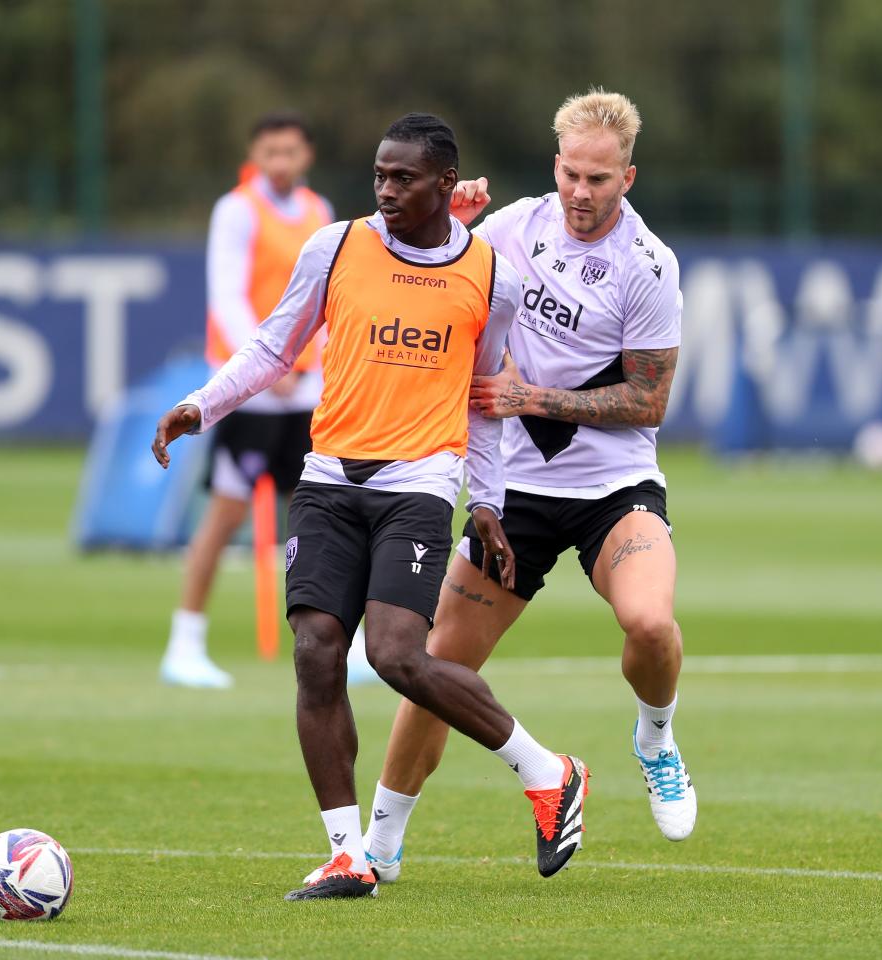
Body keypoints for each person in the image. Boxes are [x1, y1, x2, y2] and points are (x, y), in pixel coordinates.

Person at [153, 113, 587, 900]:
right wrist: (201, 406)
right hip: (327, 482)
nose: (385, 190)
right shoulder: (336, 247)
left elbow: (486, 402)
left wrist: (485, 500)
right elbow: (273, 346)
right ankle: (348, 854)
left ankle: (549, 772)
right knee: (317, 652)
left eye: (403, 178)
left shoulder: (494, 277)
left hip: (417, 486)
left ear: (446, 185)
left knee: (394, 656)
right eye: (379, 175)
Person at [362, 90, 693, 883]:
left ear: (629, 179)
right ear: (556, 168)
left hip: (613, 487)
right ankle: (378, 847)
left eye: (601, 180)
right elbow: (419, 262)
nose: (583, 193)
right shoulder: (517, 226)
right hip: (514, 492)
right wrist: (455, 222)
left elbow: (649, 400)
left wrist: (531, 398)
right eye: (573, 175)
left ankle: (655, 736)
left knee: (649, 622)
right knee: (437, 665)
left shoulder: (647, 266)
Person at [160, 112, 332, 689]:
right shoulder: (236, 210)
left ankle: (341, 642)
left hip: (306, 389)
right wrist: (263, 362)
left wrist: (322, 364)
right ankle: (185, 640)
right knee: (228, 510)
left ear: (305, 154)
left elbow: (326, 302)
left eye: (289, 150)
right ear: (255, 155)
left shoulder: (318, 211)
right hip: (251, 390)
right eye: (269, 151)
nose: (279, 161)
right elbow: (227, 295)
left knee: (316, 512)